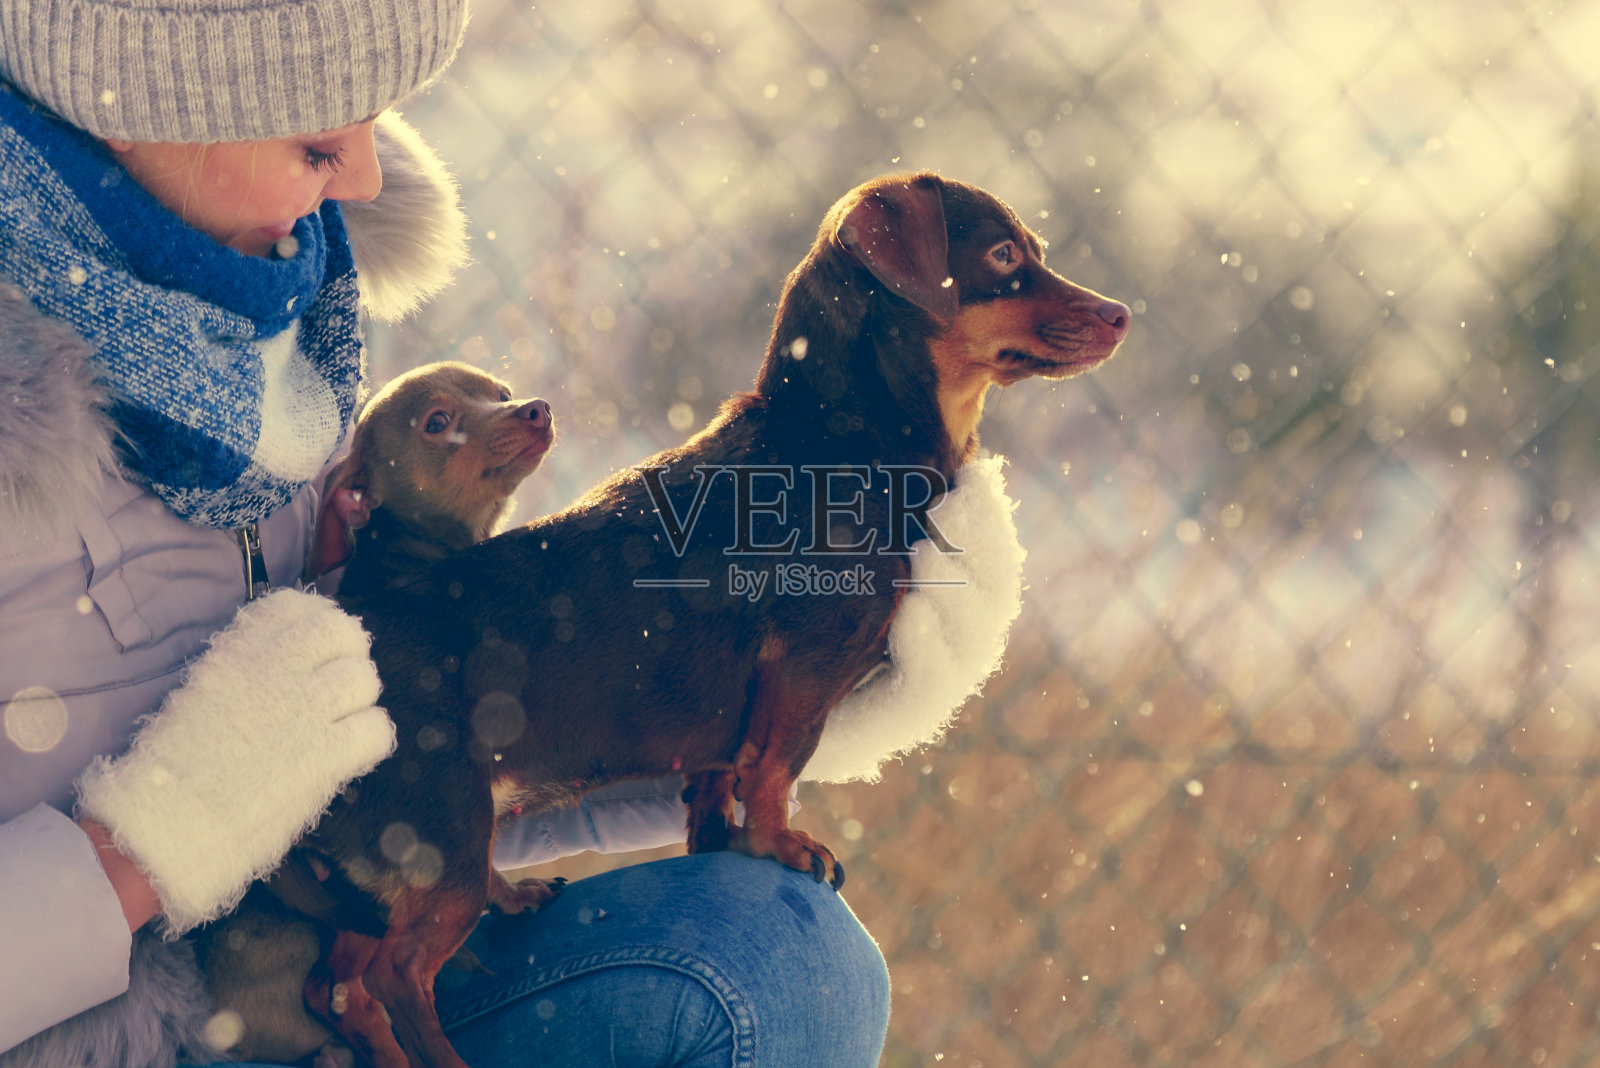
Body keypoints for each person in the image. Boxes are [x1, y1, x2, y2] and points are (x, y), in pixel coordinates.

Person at [0, 1, 892, 1064]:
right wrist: (144, 849)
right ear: (133, 105)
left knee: (777, 959)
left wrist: (756, 685)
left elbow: (420, 764)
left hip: (307, 984)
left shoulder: (279, 336)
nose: (367, 180)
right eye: (321, 142)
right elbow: (230, 780)